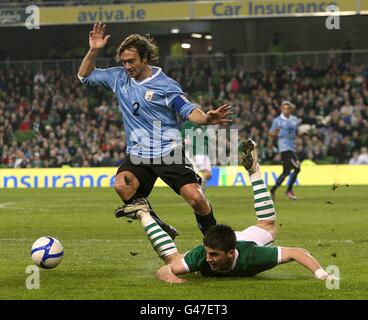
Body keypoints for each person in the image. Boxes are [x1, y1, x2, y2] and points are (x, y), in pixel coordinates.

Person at [77, 23, 232, 238]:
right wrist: (94, 50)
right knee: (122, 186)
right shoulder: (119, 78)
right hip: (138, 154)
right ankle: (159, 225)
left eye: (131, 61)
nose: (127, 66)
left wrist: (205, 118)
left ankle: (214, 238)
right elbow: (84, 76)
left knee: (196, 199)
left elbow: (187, 109)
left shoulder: (165, 85)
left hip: (168, 152)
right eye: (123, 62)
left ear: (145, 58)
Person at [117, 139, 335, 283]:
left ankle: (253, 170)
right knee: (172, 261)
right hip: (232, 239)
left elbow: (297, 252)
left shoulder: (254, 256)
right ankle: (142, 213)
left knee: (269, 228)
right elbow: (165, 271)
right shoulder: (202, 255)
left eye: (213, 255)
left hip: (246, 240)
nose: (208, 259)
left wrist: (322, 275)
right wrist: (178, 283)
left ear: (231, 254)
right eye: (208, 253)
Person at [269, 101, 301, 200]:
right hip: (284, 148)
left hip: (292, 147)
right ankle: (289, 190)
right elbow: (271, 134)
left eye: (288, 108)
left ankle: (273, 190)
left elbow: (296, 132)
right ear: (281, 109)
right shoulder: (277, 121)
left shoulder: (294, 119)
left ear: (291, 109)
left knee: (286, 172)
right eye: (284, 108)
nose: (286, 110)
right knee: (297, 168)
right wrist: (275, 133)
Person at [180, 119, 212, 192]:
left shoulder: (203, 125)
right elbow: (182, 137)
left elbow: (207, 138)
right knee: (204, 173)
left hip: (205, 152)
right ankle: (199, 193)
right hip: (195, 152)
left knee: (208, 175)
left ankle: (199, 192)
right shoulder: (187, 124)